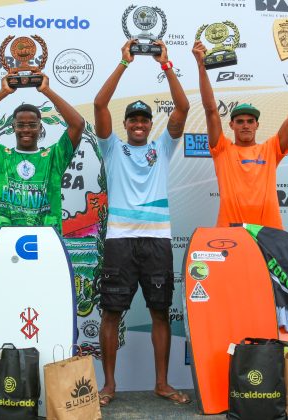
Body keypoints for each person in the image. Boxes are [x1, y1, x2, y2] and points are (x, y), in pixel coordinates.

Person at [93, 39, 190, 407]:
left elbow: (182, 107)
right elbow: (100, 104)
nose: (138, 123)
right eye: (132, 119)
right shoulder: (111, 148)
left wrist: (166, 66)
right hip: (120, 241)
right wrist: (123, 62)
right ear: (125, 124)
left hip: (157, 240)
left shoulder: (163, 146)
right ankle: (109, 385)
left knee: (160, 311)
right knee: (111, 312)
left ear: (151, 124)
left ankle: (162, 384)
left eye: (143, 119)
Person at [192, 41, 288, 229]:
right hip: (231, 232)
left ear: (257, 125)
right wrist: (201, 66)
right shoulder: (222, 149)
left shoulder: (270, 149)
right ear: (231, 125)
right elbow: (210, 109)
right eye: (240, 121)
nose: (245, 125)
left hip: (268, 233)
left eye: (250, 121)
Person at [0, 73, 84, 232]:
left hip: (48, 239)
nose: (26, 130)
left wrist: (46, 90)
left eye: (32, 125)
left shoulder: (54, 158)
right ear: (13, 127)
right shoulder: (0, 156)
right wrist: (3, 92)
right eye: (20, 125)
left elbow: (78, 124)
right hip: (7, 239)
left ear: (40, 128)